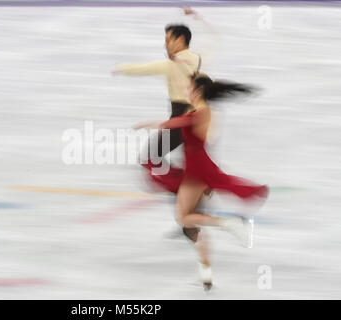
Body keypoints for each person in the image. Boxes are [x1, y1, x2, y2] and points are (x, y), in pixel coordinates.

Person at [134, 73, 269, 290]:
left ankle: (228, 223)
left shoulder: (202, 113)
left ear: (196, 91)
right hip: (196, 169)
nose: (187, 91)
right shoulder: (200, 111)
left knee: (184, 217)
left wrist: (155, 123)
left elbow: (181, 122)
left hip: (198, 172)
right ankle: (205, 275)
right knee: (191, 224)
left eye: (189, 88)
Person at [113, 10, 204, 164]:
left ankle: (186, 187)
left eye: (168, 40)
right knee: (192, 165)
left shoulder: (171, 64)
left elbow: (143, 68)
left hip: (180, 118)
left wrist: (120, 68)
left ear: (180, 40)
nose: (165, 44)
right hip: (196, 118)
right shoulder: (196, 58)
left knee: (149, 157)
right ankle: (196, 185)